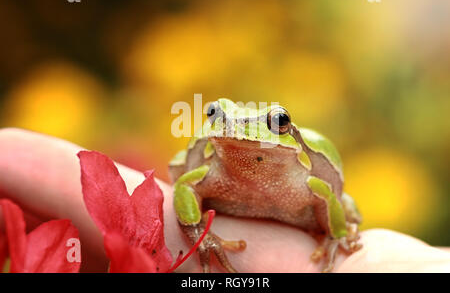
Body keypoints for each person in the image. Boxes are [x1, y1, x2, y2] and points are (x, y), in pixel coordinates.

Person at [0, 128, 449, 272]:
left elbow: (331, 196)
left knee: (346, 210)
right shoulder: (213, 169)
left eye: (273, 123)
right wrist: (196, 233)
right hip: (214, 232)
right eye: (218, 117)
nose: (241, 132)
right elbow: (187, 189)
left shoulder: (303, 181)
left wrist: (336, 235)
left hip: (315, 221)